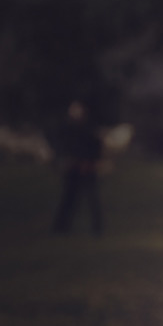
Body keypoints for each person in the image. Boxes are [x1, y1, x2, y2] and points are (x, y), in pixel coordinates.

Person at [50, 99, 104, 235]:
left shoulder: (89, 128)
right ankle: (61, 227)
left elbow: (96, 147)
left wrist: (90, 161)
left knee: (92, 199)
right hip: (72, 168)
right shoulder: (66, 128)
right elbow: (61, 147)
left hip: (86, 167)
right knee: (68, 198)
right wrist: (65, 160)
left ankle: (97, 227)